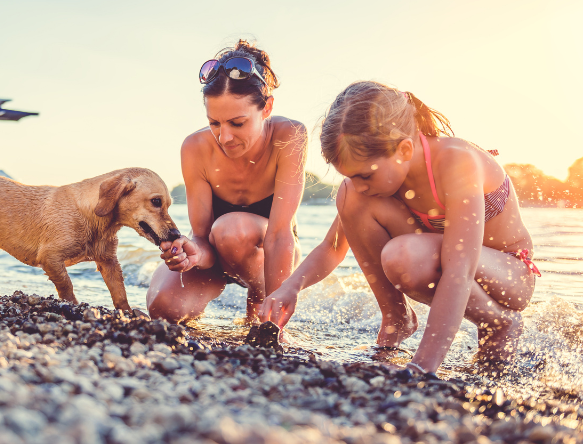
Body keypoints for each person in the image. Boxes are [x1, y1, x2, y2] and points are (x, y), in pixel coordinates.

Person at [259, 81, 538, 373]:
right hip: (448, 261)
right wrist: (290, 288)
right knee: (349, 199)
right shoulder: (374, 180)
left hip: (509, 276)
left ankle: (500, 322)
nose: (358, 185)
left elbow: (459, 270)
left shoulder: (457, 162)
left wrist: (421, 368)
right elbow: (332, 247)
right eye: (351, 175)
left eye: (365, 175)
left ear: (404, 150)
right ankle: (397, 319)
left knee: (404, 256)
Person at [146, 40, 306, 324]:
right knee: (163, 308)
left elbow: (281, 236)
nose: (224, 138)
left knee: (232, 229)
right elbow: (203, 238)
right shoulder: (195, 149)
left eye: (238, 123)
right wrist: (192, 254)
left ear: (266, 108)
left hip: (269, 258)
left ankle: (258, 306)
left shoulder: (290, 136)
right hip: (217, 260)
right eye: (215, 123)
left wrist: (274, 324)